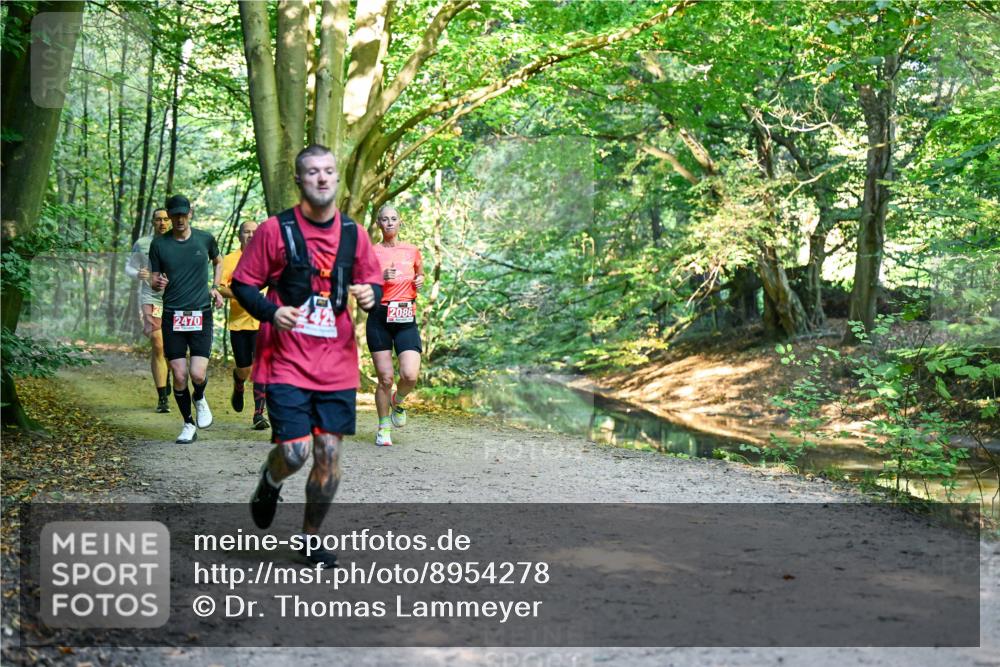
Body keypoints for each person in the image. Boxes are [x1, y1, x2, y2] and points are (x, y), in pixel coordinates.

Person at [231, 144, 382, 568]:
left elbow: (373, 284)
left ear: (337, 178)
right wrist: (270, 310)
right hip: (286, 360)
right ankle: (270, 478)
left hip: (336, 365)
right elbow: (244, 284)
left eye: (328, 171)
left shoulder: (355, 234)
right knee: (295, 452)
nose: (321, 178)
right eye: (312, 172)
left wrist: (372, 294)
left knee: (329, 454)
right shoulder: (273, 231)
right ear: (299, 179)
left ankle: (310, 539)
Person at [150, 194, 223, 444]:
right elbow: (153, 278)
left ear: (190, 213)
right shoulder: (160, 245)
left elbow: (218, 260)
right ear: (169, 216)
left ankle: (200, 397)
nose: (180, 219)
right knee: (179, 376)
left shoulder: (205, 239)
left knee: (197, 375)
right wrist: (156, 281)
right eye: (175, 215)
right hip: (173, 315)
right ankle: (188, 424)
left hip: (201, 313)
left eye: (184, 214)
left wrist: (215, 286)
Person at [367, 205, 424, 447]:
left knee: (410, 375)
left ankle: (398, 401)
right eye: (384, 220)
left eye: (393, 219)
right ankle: (383, 428)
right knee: (385, 378)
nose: (389, 223)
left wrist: (421, 280)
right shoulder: (370, 253)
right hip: (379, 317)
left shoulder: (412, 250)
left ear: (400, 222)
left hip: (405, 317)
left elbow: (419, 274)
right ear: (378, 224)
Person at [219, 220, 269, 430]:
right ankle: (238, 383)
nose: (250, 235)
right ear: (239, 236)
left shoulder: (268, 260)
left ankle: (259, 414)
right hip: (239, 324)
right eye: (246, 232)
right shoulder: (230, 260)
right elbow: (221, 288)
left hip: (263, 323)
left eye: (254, 232)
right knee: (244, 368)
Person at [125, 207, 172, 413]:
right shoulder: (142, 243)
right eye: (158, 219)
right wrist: (138, 273)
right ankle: (162, 398)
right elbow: (129, 266)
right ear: (153, 222)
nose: (162, 223)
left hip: (175, 299)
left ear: (170, 221)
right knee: (158, 345)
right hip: (150, 299)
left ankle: (167, 375)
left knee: (172, 349)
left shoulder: (180, 243)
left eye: (166, 219)